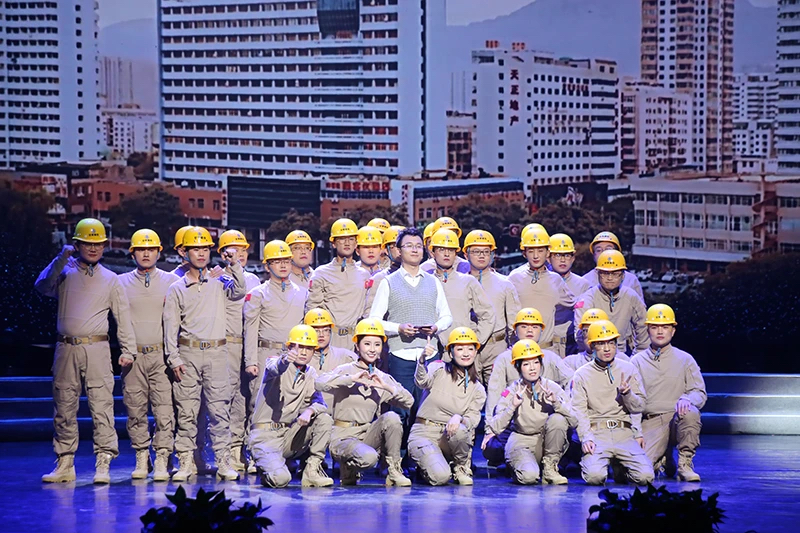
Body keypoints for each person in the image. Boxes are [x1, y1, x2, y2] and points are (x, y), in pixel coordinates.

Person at [36, 218, 137, 484]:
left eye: (98, 244)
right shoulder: (64, 271)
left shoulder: (111, 279)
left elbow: (123, 318)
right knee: (64, 405)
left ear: (104, 246)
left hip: (97, 348)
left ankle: (103, 462)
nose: (93, 248)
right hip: (66, 347)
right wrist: (61, 259)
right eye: (87, 243)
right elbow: (42, 286)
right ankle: (65, 462)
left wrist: (128, 350)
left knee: (101, 405)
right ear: (77, 244)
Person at [163, 226, 246, 482]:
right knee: (187, 412)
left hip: (217, 353)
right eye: (195, 249)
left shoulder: (220, 280)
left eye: (205, 249)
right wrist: (173, 358)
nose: (201, 254)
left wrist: (234, 264)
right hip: (188, 353)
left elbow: (239, 291)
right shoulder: (177, 288)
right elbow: (170, 326)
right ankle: (185, 462)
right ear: (184, 252)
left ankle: (223, 462)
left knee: (220, 411)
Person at [315, 319, 414, 486]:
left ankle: (394, 471)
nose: (372, 349)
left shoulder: (381, 377)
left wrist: (386, 387)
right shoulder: (345, 370)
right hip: (342, 436)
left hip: (367, 435)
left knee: (392, 418)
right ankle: (348, 466)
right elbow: (319, 383)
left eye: (377, 344)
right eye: (367, 344)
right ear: (357, 346)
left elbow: (409, 401)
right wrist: (351, 379)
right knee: (369, 457)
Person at [117, 229, 179, 481]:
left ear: (158, 252)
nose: (146, 253)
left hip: (161, 356)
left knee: (165, 411)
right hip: (133, 357)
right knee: (135, 409)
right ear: (132, 253)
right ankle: (142, 455)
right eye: (141, 249)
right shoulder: (120, 282)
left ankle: (163, 456)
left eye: (151, 249)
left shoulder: (171, 281)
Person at [368, 227, 452, 413]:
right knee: (400, 410)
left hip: (429, 355)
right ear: (399, 251)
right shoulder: (388, 282)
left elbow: (447, 316)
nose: (414, 250)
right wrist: (399, 328)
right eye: (409, 246)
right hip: (400, 356)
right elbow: (374, 321)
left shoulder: (433, 281)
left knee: (428, 409)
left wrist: (436, 327)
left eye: (418, 246)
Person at [243, 240, 308, 470]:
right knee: (258, 403)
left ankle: (284, 452)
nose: (282, 265)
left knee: (289, 403)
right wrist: (251, 361)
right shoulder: (257, 294)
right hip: (266, 352)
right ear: (267, 265)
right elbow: (250, 329)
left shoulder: (303, 293)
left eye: (286, 261)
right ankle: (254, 452)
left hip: (293, 353)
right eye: (277, 261)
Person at [483, 308, 574, 465]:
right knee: (492, 448)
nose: (530, 330)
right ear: (515, 330)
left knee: (570, 439)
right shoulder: (504, 359)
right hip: (515, 422)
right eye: (524, 326)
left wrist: (563, 403)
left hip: (545, 421)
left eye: (535, 327)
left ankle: (550, 462)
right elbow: (494, 394)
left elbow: (572, 381)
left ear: (541, 331)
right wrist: (489, 430)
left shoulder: (550, 357)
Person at [248, 325, 334, 488]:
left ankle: (312, 471)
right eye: (300, 347)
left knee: (324, 419)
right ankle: (266, 468)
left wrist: (309, 411)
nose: (304, 352)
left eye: (309, 348)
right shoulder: (275, 362)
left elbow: (321, 403)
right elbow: (274, 368)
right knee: (281, 479)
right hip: (265, 437)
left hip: (288, 435)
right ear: (289, 347)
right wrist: (284, 360)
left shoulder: (310, 372)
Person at [571, 320, 654, 485]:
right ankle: (607, 462)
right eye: (601, 344)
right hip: (597, 433)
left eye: (611, 343)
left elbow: (639, 406)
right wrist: (586, 438)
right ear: (592, 346)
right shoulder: (582, 374)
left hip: (624, 433)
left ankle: (619, 465)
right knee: (594, 477)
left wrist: (627, 394)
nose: (607, 348)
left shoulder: (628, 369)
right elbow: (579, 410)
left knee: (645, 477)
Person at [630, 304, 706, 482]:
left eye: (665, 327)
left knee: (691, 412)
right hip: (651, 422)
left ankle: (685, 464)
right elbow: (632, 402)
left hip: (676, 418)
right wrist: (636, 432)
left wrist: (688, 398)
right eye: (655, 327)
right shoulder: (636, 362)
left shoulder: (685, 359)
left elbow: (700, 393)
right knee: (638, 475)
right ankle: (663, 456)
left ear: (673, 330)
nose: (660, 332)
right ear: (647, 330)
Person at [486, 339, 576, 485]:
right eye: (526, 364)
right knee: (529, 477)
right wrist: (512, 407)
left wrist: (556, 403)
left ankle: (550, 469)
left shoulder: (552, 387)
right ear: (518, 367)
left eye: (536, 362)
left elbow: (574, 420)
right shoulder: (511, 391)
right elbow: (495, 427)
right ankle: (516, 467)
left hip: (546, 442)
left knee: (558, 419)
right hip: (522, 441)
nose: (532, 368)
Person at [408, 327, 486, 486]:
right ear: (451, 353)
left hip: (449, 436)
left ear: (475, 352)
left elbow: (473, 419)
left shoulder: (478, 388)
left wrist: (459, 418)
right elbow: (421, 382)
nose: (466, 353)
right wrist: (422, 361)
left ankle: (460, 467)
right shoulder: (438, 368)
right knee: (440, 477)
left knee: (462, 429)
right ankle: (427, 466)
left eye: (470, 349)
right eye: (460, 349)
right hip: (425, 432)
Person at [217, 230, 262, 471]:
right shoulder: (218, 277)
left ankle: (251, 447)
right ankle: (232, 450)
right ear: (223, 254)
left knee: (252, 397)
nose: (240, 255)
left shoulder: (254, 279)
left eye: (243, 250)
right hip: (230, 344)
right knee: (232, 397)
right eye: (234, 251)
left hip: (252, 344)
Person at [463, 229, 521, 386]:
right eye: (476, 251)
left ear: (492, 254)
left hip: (497, 346)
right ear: (466, 255)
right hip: (467, 347)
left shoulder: (505, 284)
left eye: (486, 251)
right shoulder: (460, 283)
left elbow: (514, 322)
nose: (481, 255)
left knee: (497, 392)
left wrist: (513, 348)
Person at [425, 229, 495, 355]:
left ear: (456, 253)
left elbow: (487, 314)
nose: (447, 254)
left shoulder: (468, 281)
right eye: (441, 249)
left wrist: (474, 342)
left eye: (451, 250)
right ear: (433, 252)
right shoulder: (425, 282)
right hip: (431, 351)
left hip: (461, 353)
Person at [507, 226, 575, 351]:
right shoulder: (514, 278)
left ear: (548, 253)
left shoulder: (556, 280)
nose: (536, 256)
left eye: (540, 251)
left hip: (547, 349)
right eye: (531, 251)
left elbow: (575, 304)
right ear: (524, 253)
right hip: (520, 350)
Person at [307, 218, 371, 349]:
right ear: (334, 243)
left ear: (356, 243)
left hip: (356, 339)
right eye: (342, 239)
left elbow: (368, 309)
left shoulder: (364, 275)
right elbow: (312, 309)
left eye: (351, 239)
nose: (347, 243)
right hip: (330, 339)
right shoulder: (321, 273)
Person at [573, 250, 648, 355]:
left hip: (621, 353)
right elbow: (580, 335)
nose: (610, 278)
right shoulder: (587, 298)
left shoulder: (631, 297)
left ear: (623, 276)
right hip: (593, 354)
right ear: (598, 274)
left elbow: (643, 327)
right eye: (605, 273)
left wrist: (639, 356)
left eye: (615, 274)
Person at [304, 307, 358, 408]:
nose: (321, 335)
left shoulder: (345, 357)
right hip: (307, 412)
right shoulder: (301, 358)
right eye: (316, 331)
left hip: (336, 413)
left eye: (326, 330)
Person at [548, 233, 590, 357]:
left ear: (573, 258)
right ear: (548, 258)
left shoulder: (583, 284)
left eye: (567, 255)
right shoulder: (542, 282)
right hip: (548, 344)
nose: (563, 260)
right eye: (557, 255)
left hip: (573, 345)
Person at [563, 308, 629, 373]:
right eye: (586, 331)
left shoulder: (623, 362)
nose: (590, 335)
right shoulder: (570, 363)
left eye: (595, 331)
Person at [581, 231, 644, 299]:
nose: (604, 253)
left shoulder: (631, 280)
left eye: (608, 249)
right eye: (598, 250)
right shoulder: (585, 281)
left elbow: (639, 305)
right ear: (593, 255)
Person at [365, 225, 406, 314]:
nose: (399, 249)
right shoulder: (379, 279)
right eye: (394, 246)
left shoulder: (421, 276)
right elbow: (370, 311)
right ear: (387, 251)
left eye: (404, 245)